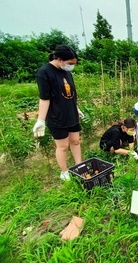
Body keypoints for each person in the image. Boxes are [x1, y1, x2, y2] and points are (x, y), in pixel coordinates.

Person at [32, 45, 83, 181]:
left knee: (76, 141)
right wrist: (41, 120)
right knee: (63, 146)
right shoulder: (44, 72)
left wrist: (76, 108)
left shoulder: (66, 72)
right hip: (56, 115)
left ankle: (79, 165)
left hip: (70, 112)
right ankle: (64, 172)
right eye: (70, 63)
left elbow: (71, 93)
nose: (72, 66)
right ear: (60, 59)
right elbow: (44, 98)